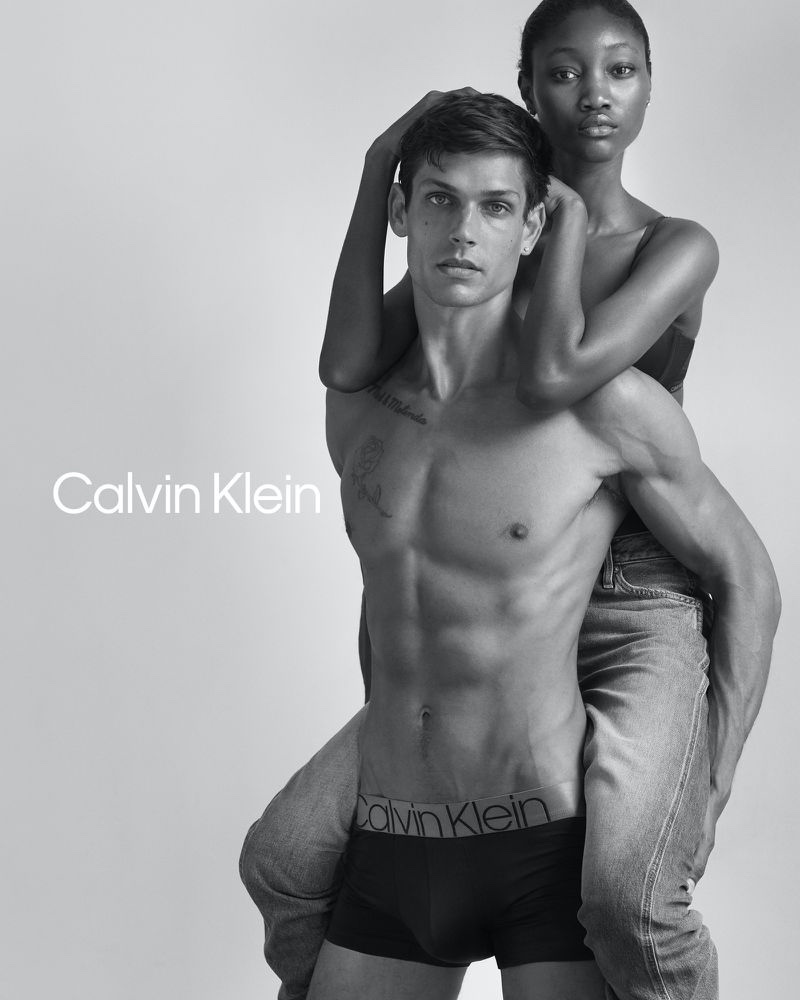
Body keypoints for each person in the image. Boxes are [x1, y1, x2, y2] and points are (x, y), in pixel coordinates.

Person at [241, 5, 777, 999]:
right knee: (279, 855)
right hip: (459, 738)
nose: (594, 94)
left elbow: (558, 378)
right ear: (529, 84)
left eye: (620, 70)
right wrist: (379, 166)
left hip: (642, 584)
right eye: (564, 72)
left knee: (630, 894)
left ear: (530, 226)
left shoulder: (645, 286)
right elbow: (348, 372)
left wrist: (705, 787)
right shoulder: (401, 365)